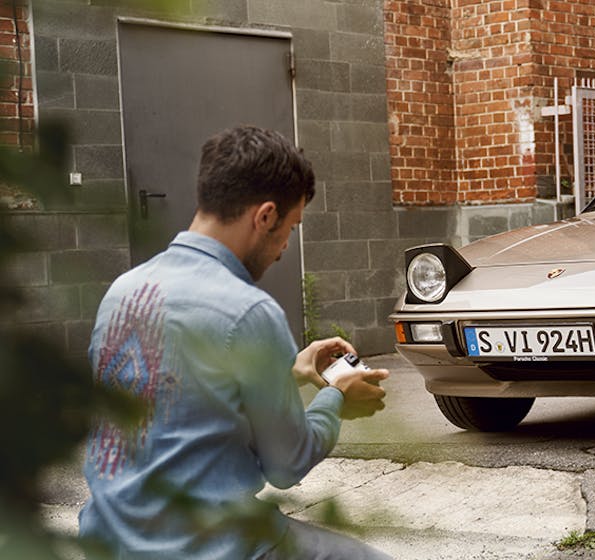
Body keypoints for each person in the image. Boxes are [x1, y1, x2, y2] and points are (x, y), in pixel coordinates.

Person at [79, 125, 391, 559]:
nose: (284, 246)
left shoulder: (123, 291)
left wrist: (290, 372)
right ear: (265, 217)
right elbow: (286, 465)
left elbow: (181, 401)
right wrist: (335, 397)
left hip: (108, 539)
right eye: (291, 227)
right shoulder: (248, 311)